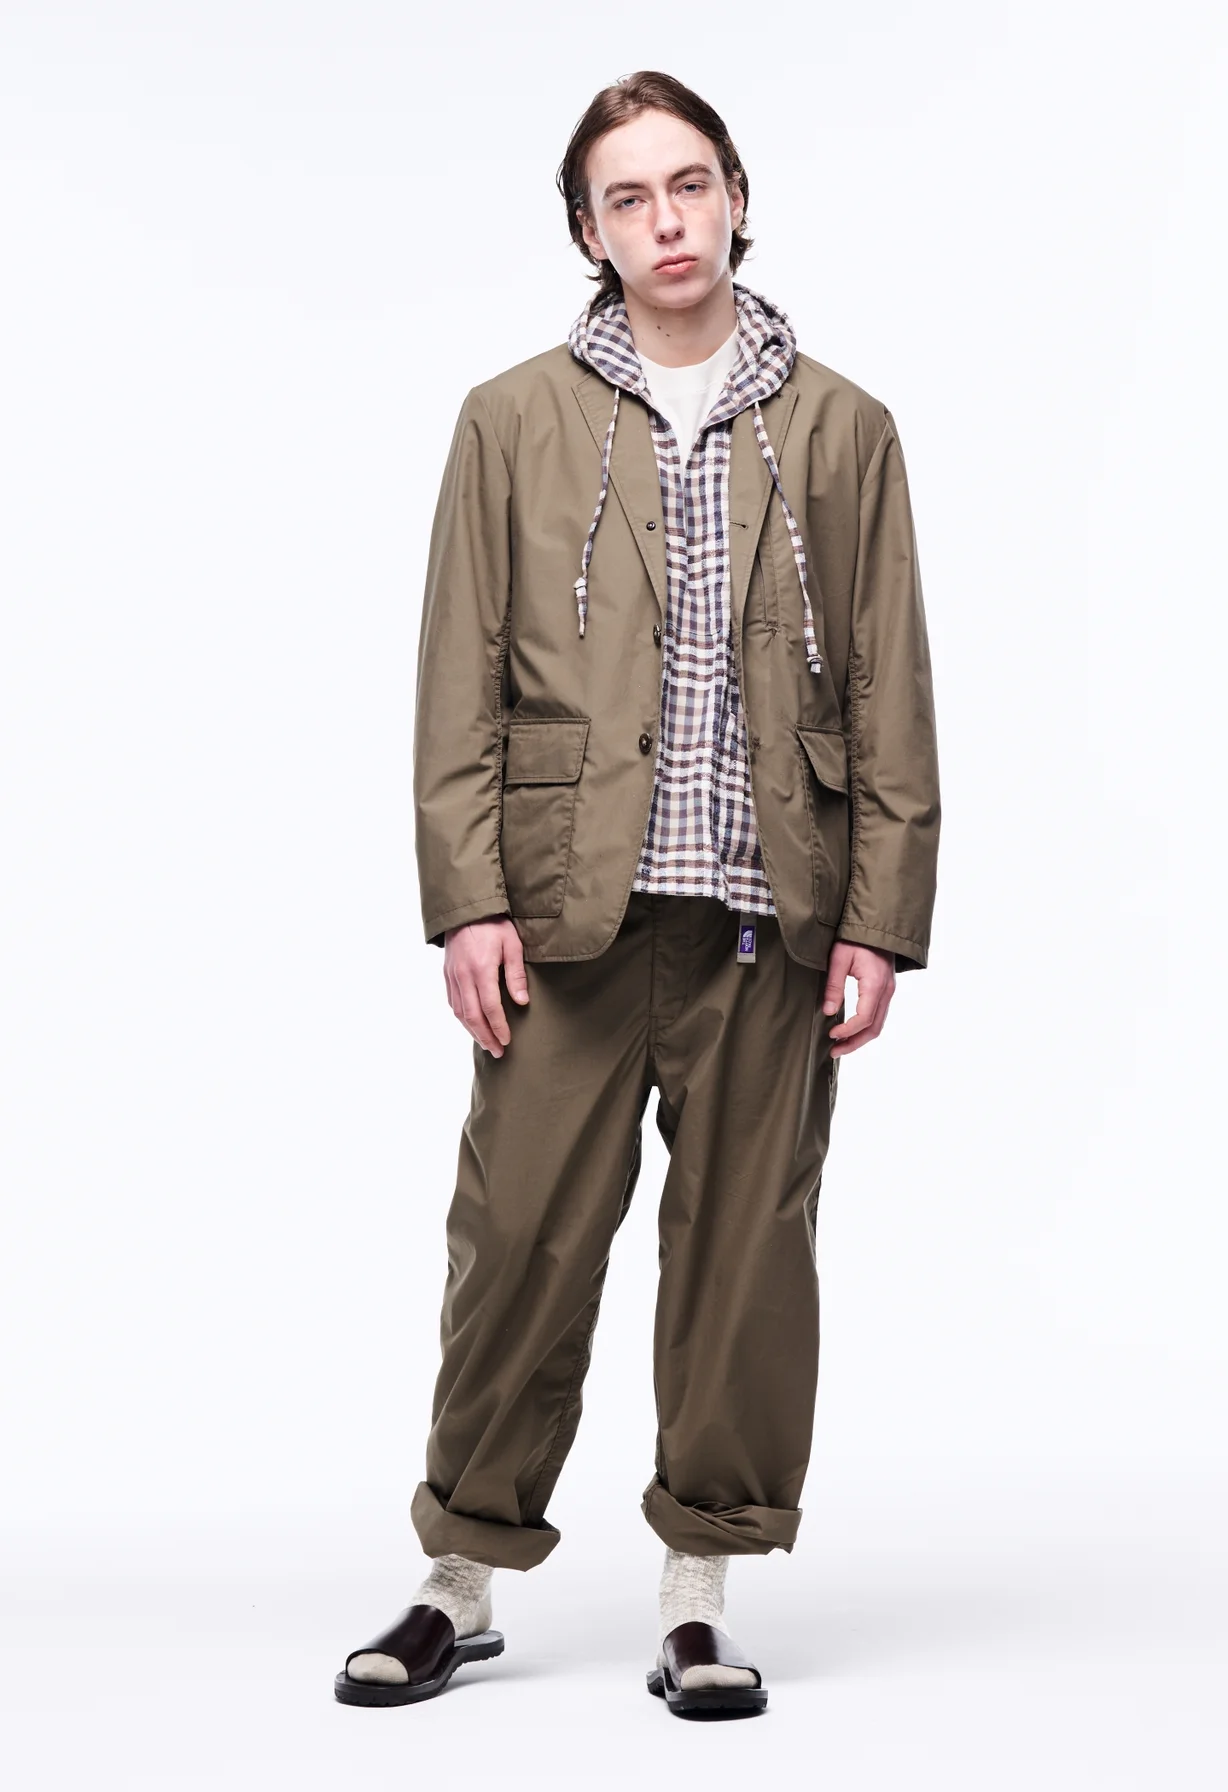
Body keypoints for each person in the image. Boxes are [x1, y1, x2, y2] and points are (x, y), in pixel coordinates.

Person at [334, 68, 940, 1719]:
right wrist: (466, 899)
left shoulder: (845, 428)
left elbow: (890, 684)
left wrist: (882, 915)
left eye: (689, 185)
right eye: (628, 198)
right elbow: (455, 678)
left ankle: (698, 1599)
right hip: (562, 917)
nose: (666, 220)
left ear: (737, 196)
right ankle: (459, 1582)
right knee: (518, 1245)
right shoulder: (512, 419)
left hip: (770, 919)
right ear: (587, 232)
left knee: (745, 1262)